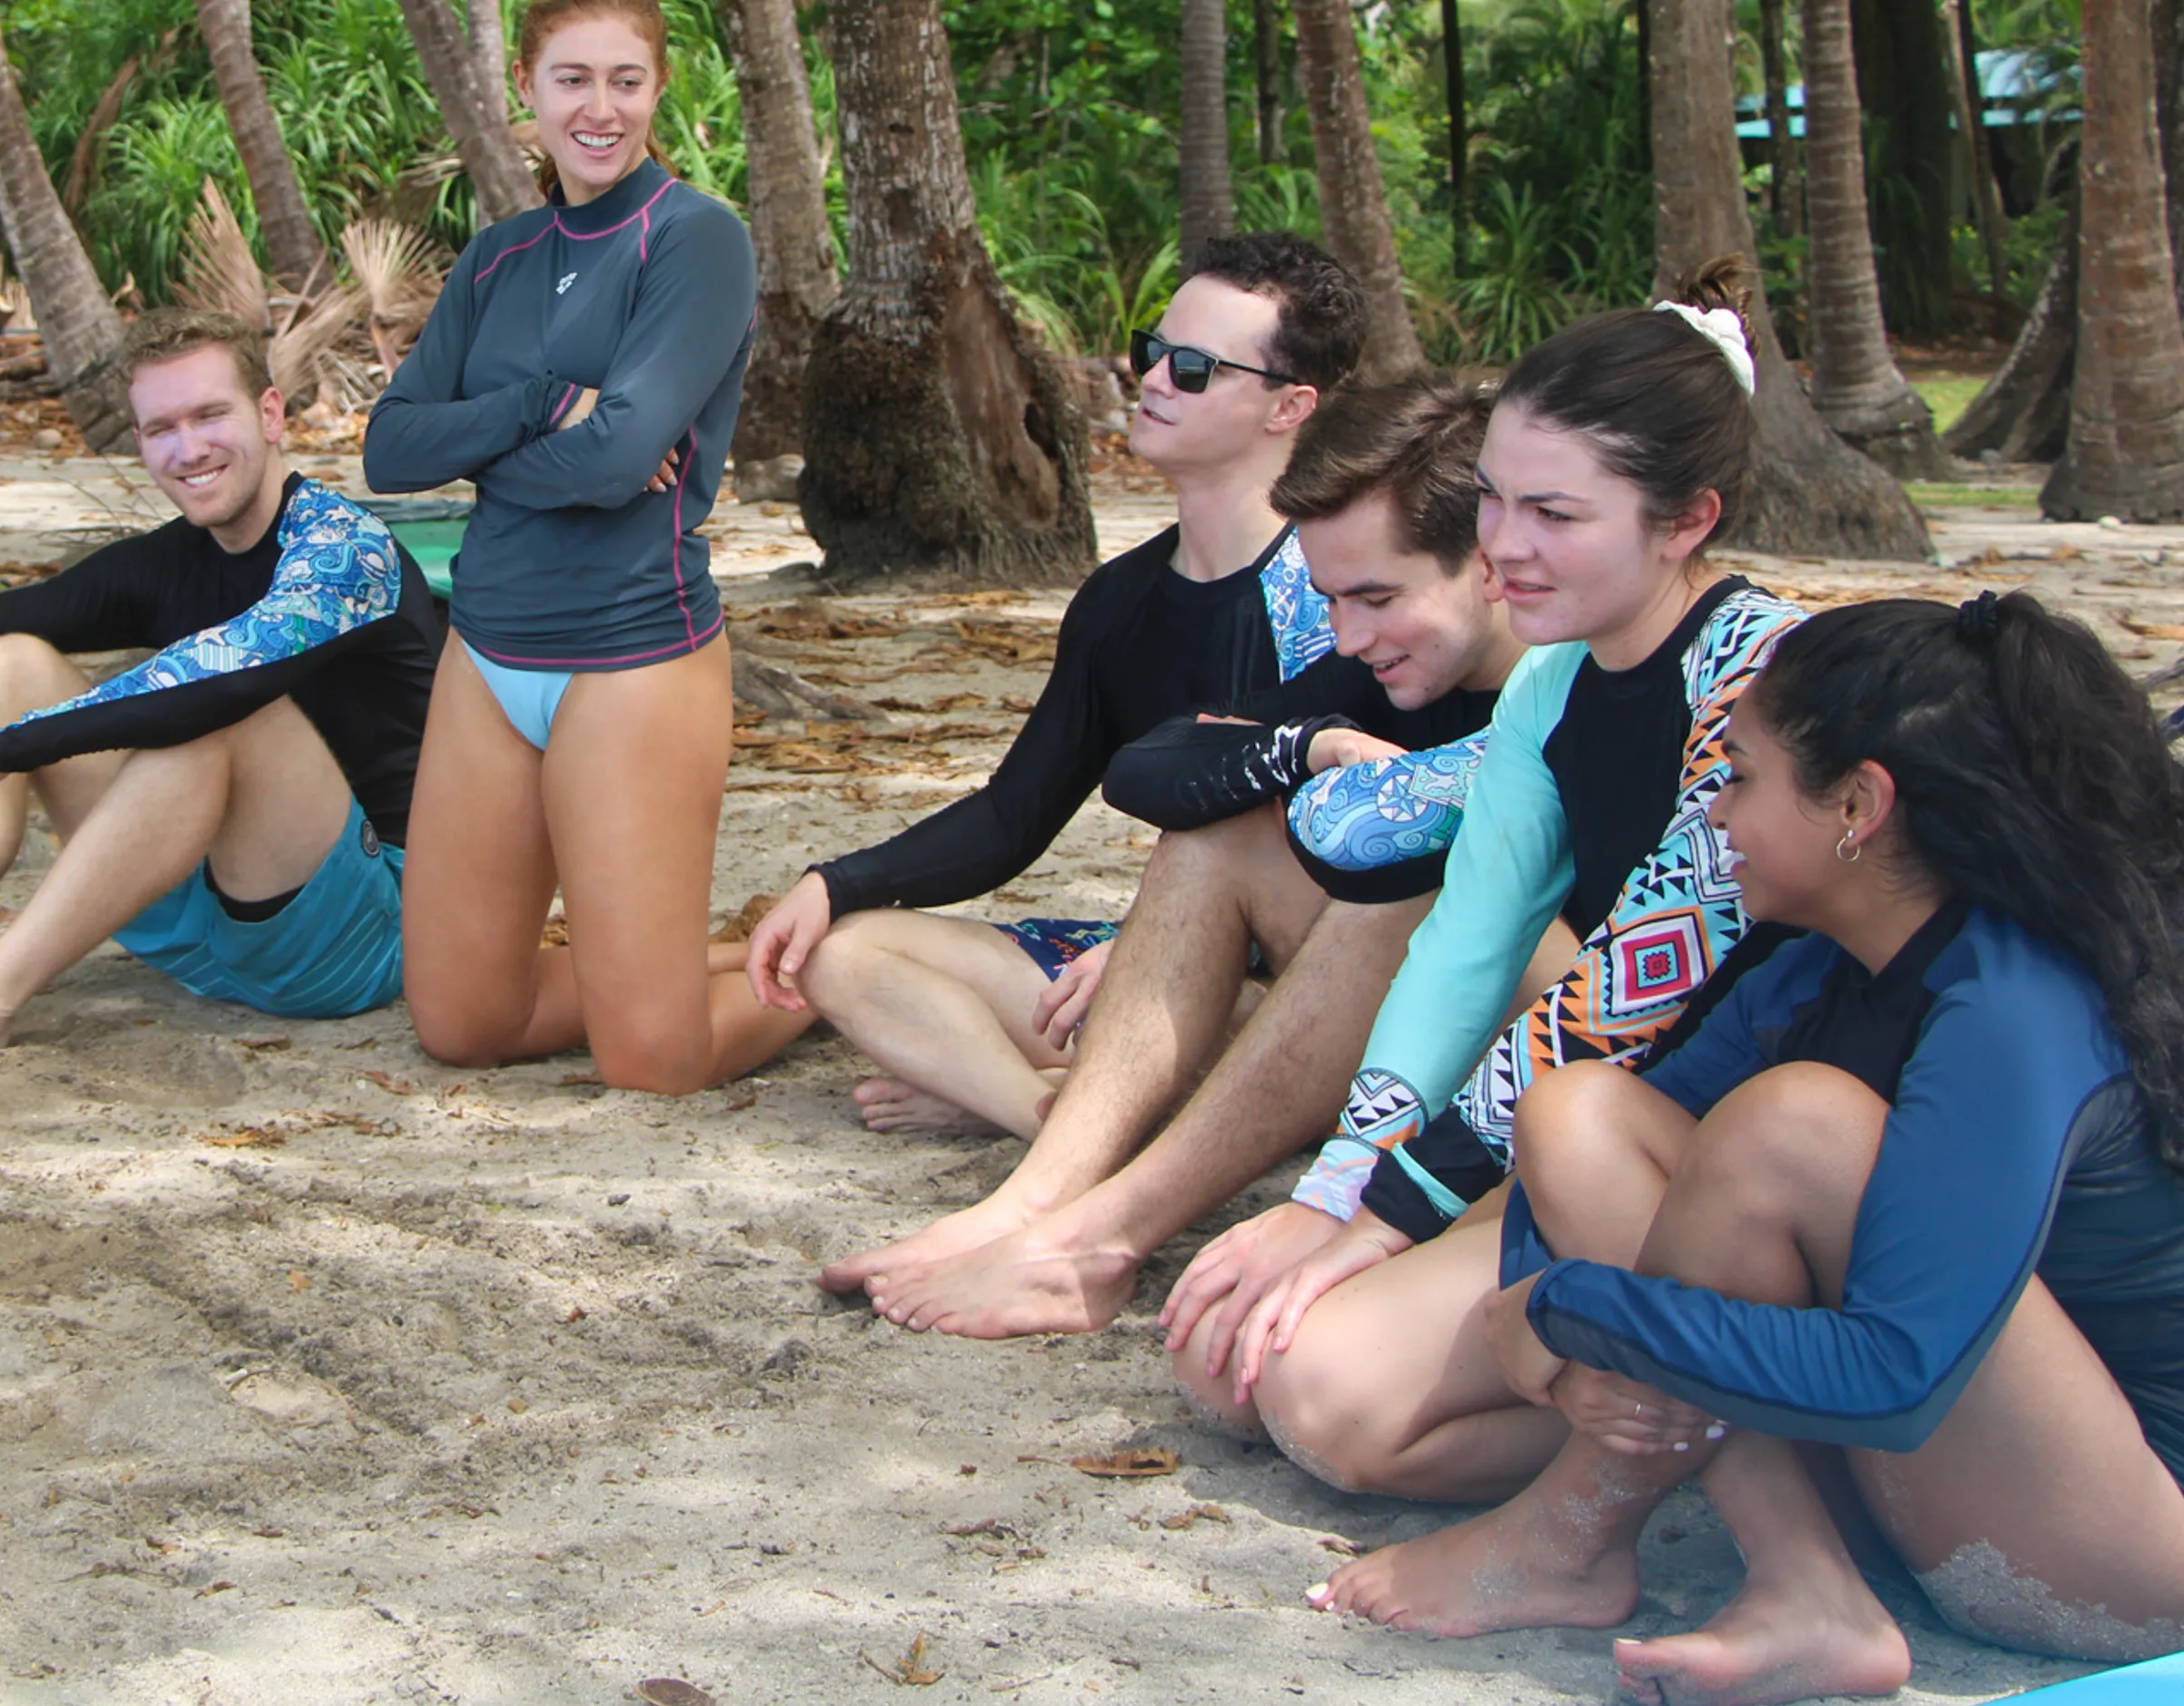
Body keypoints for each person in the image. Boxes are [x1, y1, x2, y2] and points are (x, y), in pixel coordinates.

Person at [1314, 592, 2184, 1704]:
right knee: (1577, 1111)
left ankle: (1568, 1535)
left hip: (2136, 1540)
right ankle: (1801, 1581)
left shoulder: (2015, 1003)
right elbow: (1589, 1180)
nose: (1715, 817)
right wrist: (1575, 1307)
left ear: (1858, 805)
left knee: (1797, 1128)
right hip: (1940, 1474)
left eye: (1737, 778)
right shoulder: (1817, 969)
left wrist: (1565, 1313)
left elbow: (1893, 1375)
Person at [1167, 278, 1805, 1504]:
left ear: (1689, 519)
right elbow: (1468, 941)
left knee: (1322, 1389)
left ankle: (1777, 1453)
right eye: (1498, 499)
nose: (1505, 544)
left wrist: (1379, 1218)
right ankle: (1680, 1418)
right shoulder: (1552, 681)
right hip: (1622, 1148)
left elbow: (1633, 986)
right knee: (1236, 1368)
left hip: (1780, 1175)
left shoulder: (1763, 674)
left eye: (1556, 510)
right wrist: (1334, 1189)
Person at [836, 375, 1525, 1337]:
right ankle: (1040, 1200)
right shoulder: (1376, 660)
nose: (1350, 636)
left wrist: (1358, 797)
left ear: (1493, 564)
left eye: (1376, 598)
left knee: (1406, 883)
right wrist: (1309, 744)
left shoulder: (1562, 679)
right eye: (1329, 602)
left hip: (1539, 1063)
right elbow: (1153, 767)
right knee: (1219, 832)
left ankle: (1104, 1237)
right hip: (1383, 1015)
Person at [743, 234, 1365, 1227]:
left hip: (1301, 980)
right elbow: (1013, 815)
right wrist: (835, 881)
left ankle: (1055, 1096)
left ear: (1292, 407)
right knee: (847, 955)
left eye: (1195, 369)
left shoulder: (1345, 591)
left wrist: (1163, 955)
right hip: (1144, 971)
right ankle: (1048, 1115)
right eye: (1149, 349)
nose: (1155, 378)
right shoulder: (1121, 600)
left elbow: (1375, 846)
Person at [0, 308, 440, 1087]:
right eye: (160, 429)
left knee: (215, 704)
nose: (188, 449)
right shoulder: (170, 560)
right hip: (190, 926)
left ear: (270, 413)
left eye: (210, 415)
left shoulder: (344, 550)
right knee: (4, 662)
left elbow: (218, 678)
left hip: (354, 938)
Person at [360, 0, 792, 1093]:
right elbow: (392, 450)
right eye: (571, 80)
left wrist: (496, 453)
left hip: (633, 654)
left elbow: (617, 469)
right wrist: (548, 406)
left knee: (652, 1062)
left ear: (657, 90)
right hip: (490, 651)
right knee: (462, 1024)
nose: (598, 108)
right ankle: (672, 970)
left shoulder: (698, 242)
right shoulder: (497, 258)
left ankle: (826, 969)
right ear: (529, 92)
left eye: (625, 80)